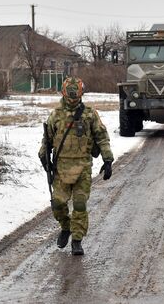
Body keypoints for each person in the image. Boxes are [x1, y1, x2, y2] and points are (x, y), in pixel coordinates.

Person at [38, 76, 114, 255]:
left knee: (80, 204)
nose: (73, 96)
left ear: (81, 92)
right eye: (70, 92)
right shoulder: (56, 115)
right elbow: (47, 140)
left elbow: (102, 137)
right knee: (58, 203)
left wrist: (108, 160)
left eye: (76, 92)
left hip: (83, 167)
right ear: (64, 92)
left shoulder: (89, 114)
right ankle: (65, 226)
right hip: (61, 168)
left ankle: (77, 240)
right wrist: (44, 158)